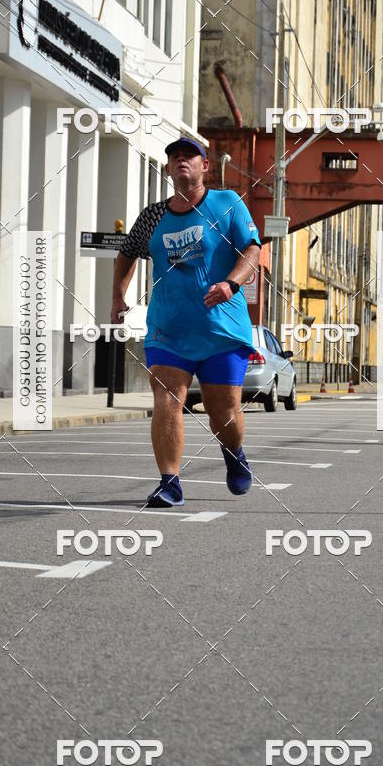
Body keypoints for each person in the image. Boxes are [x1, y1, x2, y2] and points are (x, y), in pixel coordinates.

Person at [110, 137, 262, 507]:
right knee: (167, 400)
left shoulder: (227, 204)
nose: (182, 161)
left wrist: (232, 282)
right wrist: (118, 296)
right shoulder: (152, 217)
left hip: (221, 330)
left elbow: (252, 249)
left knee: (222, 410)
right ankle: (170, 483)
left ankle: (234, 454)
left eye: (190, 156)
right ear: (167, 169)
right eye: (174, 157)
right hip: (168, 330)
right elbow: (128, 254)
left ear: (205, 166)